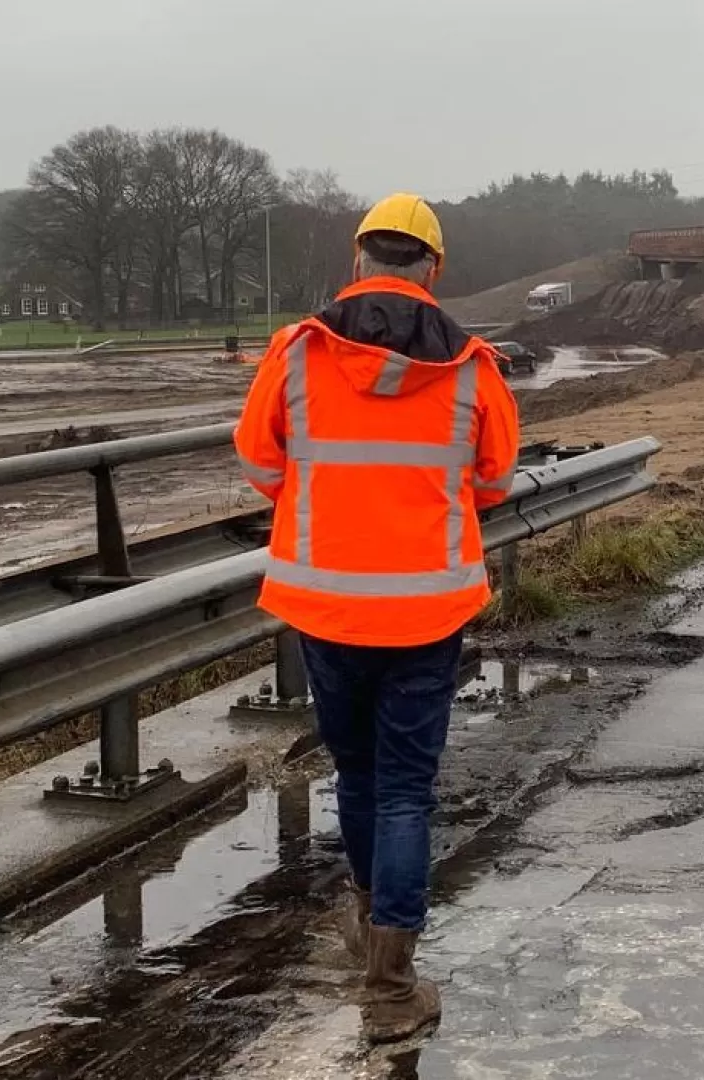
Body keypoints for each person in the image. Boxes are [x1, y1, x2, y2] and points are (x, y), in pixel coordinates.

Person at [234, 192, 520, 1042]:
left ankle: (369, 925)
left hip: (325, 604)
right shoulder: (472, 366)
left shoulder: (296, 352)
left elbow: (259, 460)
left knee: (357, 777)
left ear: (359, 262)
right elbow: (495, 479)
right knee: (405, 788)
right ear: (433, 269)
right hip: (428, 611)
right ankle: (391, 986)